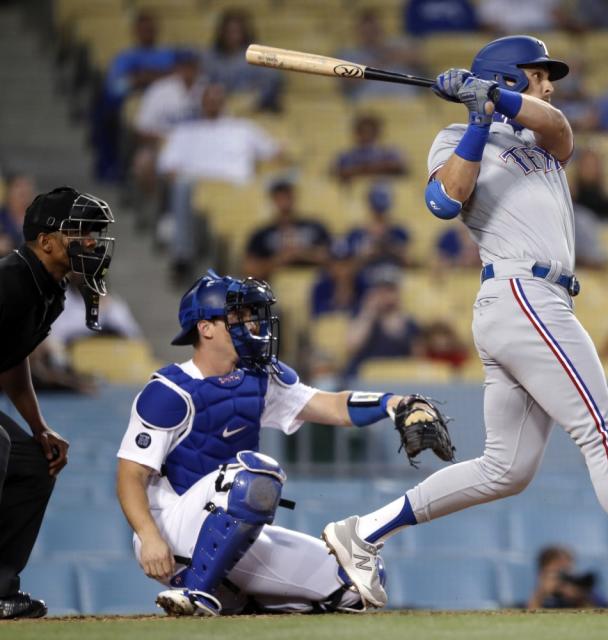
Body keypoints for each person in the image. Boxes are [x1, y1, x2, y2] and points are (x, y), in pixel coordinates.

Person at [322, 35, 608, 613]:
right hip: (521, 294)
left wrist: (494, 99)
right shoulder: (453, 139)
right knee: (604, 434)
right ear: (509, 73)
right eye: (537, 73)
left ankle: (363, 532)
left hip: (535, 302)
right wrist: (477, 116)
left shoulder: (542, 137)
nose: (549, 84)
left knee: (506, 469)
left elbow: (558, 126)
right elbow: (444, 203)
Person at [115, 272, 436, 616]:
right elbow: (130, 475)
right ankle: (196, 592)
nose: (251, 324)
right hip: (173, 529)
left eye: (251, 314)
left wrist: (394, 402)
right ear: (205, 328)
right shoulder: (169, 390)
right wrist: (149, 538)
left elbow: (331, 405)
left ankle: (238, 601)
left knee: (353, 582)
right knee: (255, 474)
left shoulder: (259, 377)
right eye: (237, 316)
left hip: (231, 536)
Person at [0, 187, 115, 618]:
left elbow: (11, 360)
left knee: (34, 461)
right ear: (46, 240)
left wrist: (39, 427)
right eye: (81, 232)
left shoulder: (50, 289)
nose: (92, 242)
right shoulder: (9, 279)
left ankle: (0, 589)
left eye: (95, 234)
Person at [157, 84, 282, 279]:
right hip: (199, 187)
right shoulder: (184, 131)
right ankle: (183, 255)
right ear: (201, 102)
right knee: (181, 187)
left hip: (238, 187)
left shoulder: (242, 128)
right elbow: (168, 168)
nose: (213, 104)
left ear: (223, 102)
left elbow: (275, 152)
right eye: (209, 99)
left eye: (217, 99)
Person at [92, 10, 177, 181]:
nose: (148, 33)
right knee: (104, 106)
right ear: (135, 32)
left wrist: (143, 77)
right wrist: (139, 80)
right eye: (144, 29)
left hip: (164, 101)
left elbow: (176, 79)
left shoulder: (167, 55)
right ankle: (110, 165)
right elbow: (115, 87)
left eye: (151, 29)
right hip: (132, 101)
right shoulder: (125, 57)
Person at [132, 50, 204, 199]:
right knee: (144, 162)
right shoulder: (159, 90)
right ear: (176, 68)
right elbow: (142, 130)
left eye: (192, 66)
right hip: (162, 145)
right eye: (184, 66)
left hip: (198, 147)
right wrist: (164, 141)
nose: (188, 70)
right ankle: (151, 207)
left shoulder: (206, 88)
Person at [340, 266, 421, 380]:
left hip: (398, 379)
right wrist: (369, 312)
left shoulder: (409, 323)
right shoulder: (363, 316)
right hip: (364, 379)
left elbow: (417, 359)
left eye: (390, 290)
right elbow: (351, 346)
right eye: (380, 289)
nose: (385, 295)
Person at [242, 180, 332, 282]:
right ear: (272, 201)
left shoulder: (315, 227)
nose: (284, 203)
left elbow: (333, 258)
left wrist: (302, 253)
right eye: (279, 198)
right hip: (274, 288)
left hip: (315, 284)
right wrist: (278, 260)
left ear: (294, 198)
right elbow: (249, 269)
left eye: (287, 197)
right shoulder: (261, 234)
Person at [203, 9, 282, 111]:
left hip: (253, 110)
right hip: (221, 110)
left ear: (244, 32)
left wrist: (256, 98)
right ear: (222, 32)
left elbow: (274, 78)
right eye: (229, 32)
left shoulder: (257, 55)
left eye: (236, 32)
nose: (232, 36)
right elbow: (205, 84)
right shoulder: (211, 58)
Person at [335, 10, 422, 101]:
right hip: (369, 101)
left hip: (405, 99)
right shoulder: (349, 54)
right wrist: (380, 62)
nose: (371, 35)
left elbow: (418, 61)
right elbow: (347, 82)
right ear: (358, 32)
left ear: (381, 29)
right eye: (366, 32)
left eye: (374, 30)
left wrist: (387, 52)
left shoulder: (399, 44)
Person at [332, 115, 408, 184]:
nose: (366, 136)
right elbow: (337, 173)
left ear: (377, 133)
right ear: (356, 133)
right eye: (363, 132)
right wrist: (373, 168)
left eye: (371, 132)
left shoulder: (389, 152)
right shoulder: (346, 155)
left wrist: (363, 170)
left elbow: (400, 168)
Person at [527, 546, 608, 609]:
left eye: (566, 570)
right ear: (542, 574)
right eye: (557, 571)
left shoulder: (584, 591)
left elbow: (601, 613)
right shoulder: (541, 595)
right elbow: (529, 618)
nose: (562, 576)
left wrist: (579, 597)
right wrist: (541, 594)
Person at [0, 174, 35, 256]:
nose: (24, 191)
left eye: (27, 188)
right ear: (8, 192)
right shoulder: (2, 217)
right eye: (18, 187)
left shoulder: (40, 218)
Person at [404, 0, 478, 36]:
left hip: (456, 40)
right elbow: (411, 25)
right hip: (426, 41)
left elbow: (470, 25)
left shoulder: (462, 2)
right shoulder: (417, 2)